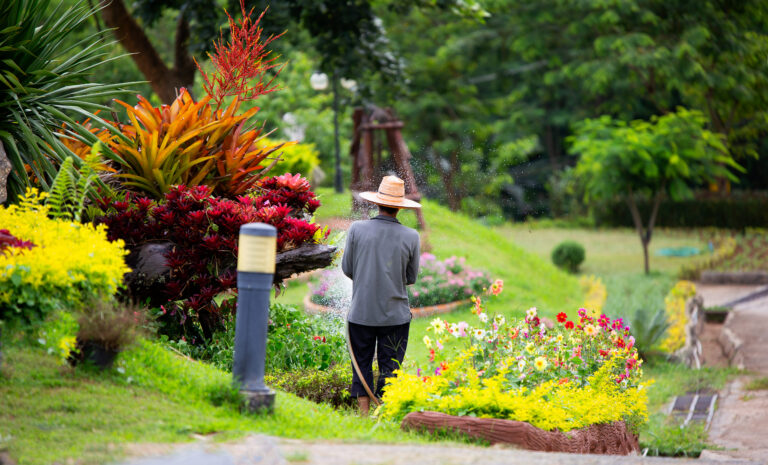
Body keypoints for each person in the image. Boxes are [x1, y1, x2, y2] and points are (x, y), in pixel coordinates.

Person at [341, 175, 421, 416]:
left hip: (361, 314)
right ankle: (383, 415)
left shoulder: (356, 229)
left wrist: (368, 278)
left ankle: (364, 415)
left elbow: (347, 269)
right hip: (395, 317)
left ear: (377, 202)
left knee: (361, 364)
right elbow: (410, 278)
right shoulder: (412, 236)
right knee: (390, 367)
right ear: (399, 206)